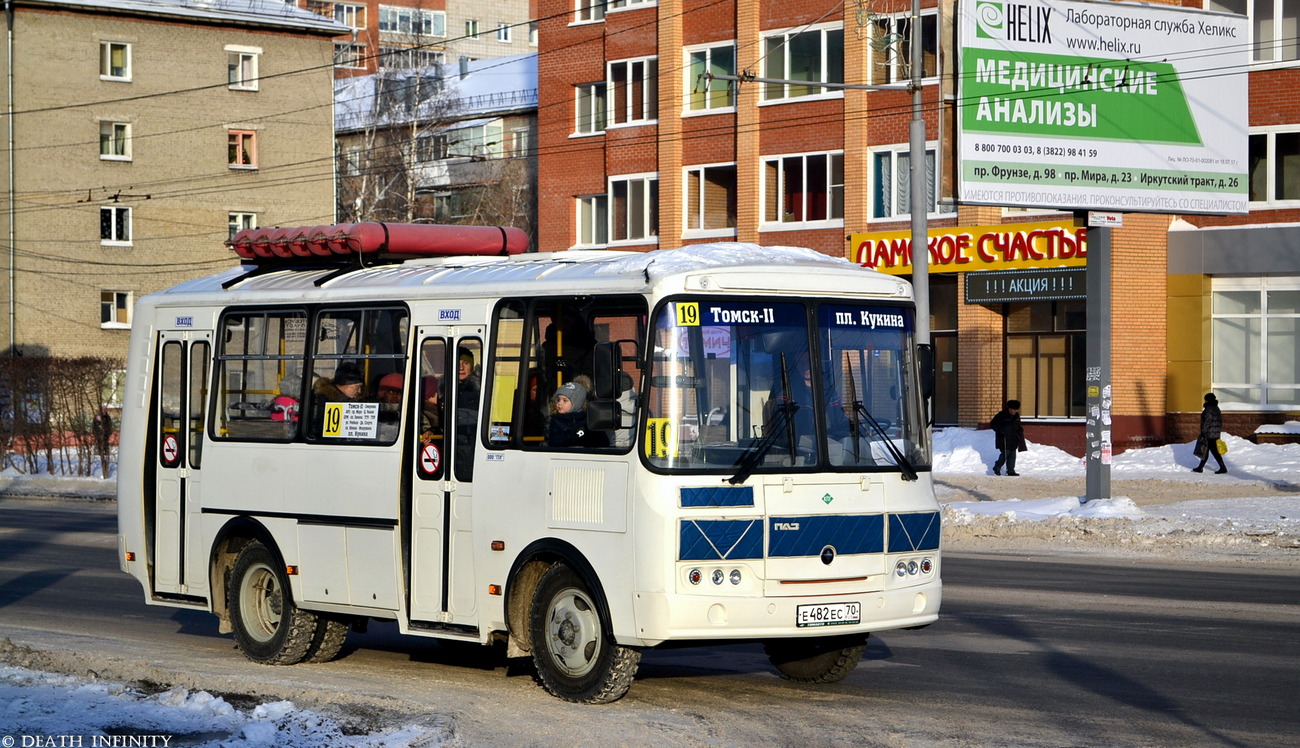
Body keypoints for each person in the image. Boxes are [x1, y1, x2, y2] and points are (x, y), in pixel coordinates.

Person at [547, 380, 607, 448]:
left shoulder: (588, 422)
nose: (559, 403)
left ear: (577, 402)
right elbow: (554, 442)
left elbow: (602, 442)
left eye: (565, 400)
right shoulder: (555, 421)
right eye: (558, 399)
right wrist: (573, 436)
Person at [1193, 392, 1228, 474]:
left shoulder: (1209, 409)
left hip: (1209, 434)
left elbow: (1207, 422)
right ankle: (1201, 467)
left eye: (1205, 400)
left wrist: (1203, 432)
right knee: (1210, 450)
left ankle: (1221, 467)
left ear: (1207, 400)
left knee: (1208, 451)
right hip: (1215, 433)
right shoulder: (1216, 408)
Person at [990, 399, 1026, 476]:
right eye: (1013, 409)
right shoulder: (1001, 415)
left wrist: (1019, 430)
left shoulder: (1016, 416)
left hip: (1013, 438)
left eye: (1016, 409)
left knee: (1012, 455)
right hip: (1003, 438)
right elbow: (993, 424)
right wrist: (1000, 430)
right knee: (1005, 455)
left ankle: (1011, 470)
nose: (1015, 411)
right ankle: (997, 467)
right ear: (1009, 408)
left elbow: (1017, 425)